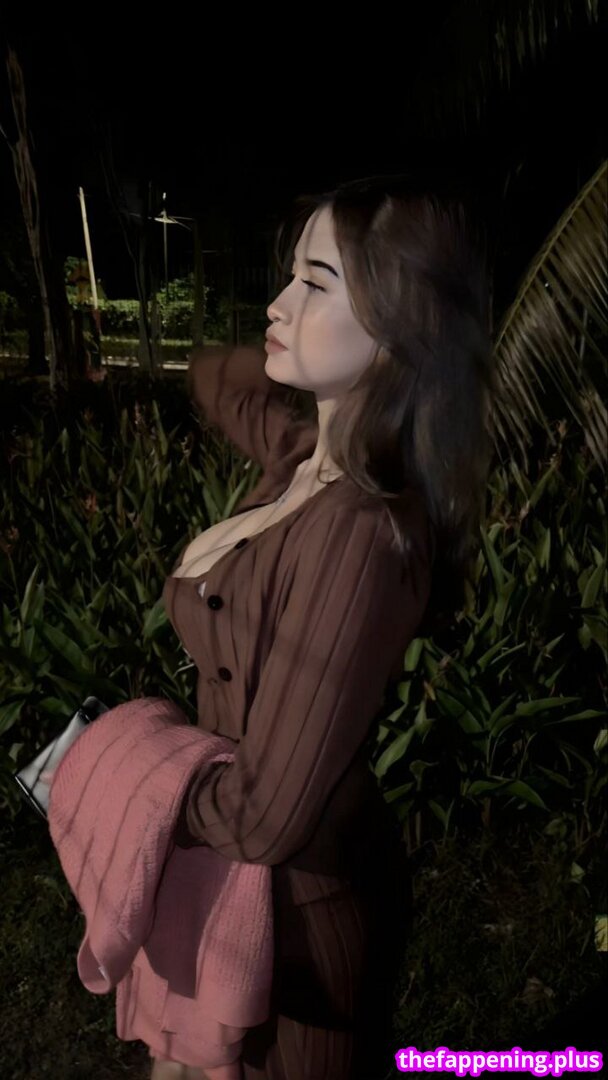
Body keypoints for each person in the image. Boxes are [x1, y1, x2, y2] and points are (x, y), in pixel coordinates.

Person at [158, 173, 495, 1080]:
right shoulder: (300, 458)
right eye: (288, 276)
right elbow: (214, 373)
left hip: (300, 924)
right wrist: (305, 343)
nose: (277, 302)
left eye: (314, 282)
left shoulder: (358, 533)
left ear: (400, 322)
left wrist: (124, 775)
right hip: (235, 892)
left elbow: (265, 818)